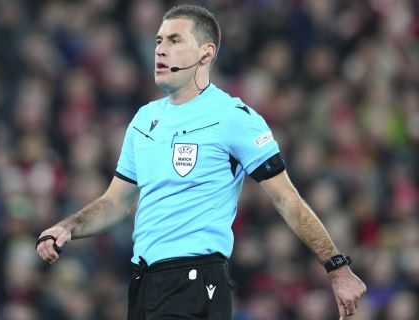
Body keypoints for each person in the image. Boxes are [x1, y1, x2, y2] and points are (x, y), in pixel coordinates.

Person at [36, 4, 366, 320]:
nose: (160, 50)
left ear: (206, 54)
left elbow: (286, 198)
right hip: (144, 282)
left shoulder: (233, 118)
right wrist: (68, 227)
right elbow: (115, 202)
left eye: (175, 40)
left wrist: (337, 266)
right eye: (158, 41)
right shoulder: (143, 120)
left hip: (195, 280)